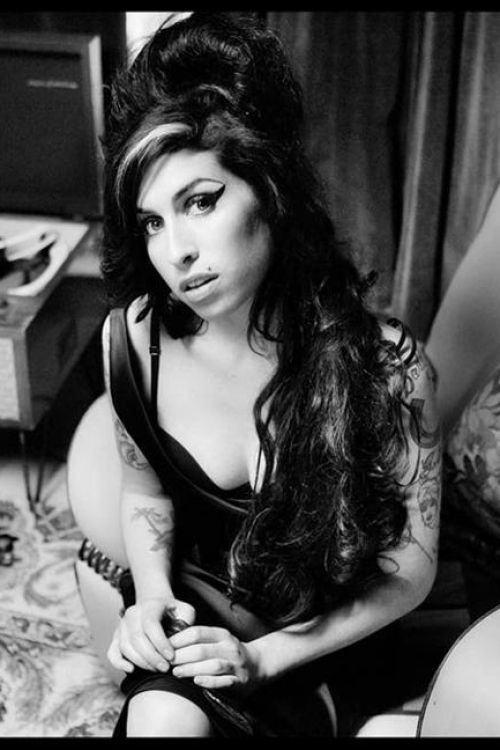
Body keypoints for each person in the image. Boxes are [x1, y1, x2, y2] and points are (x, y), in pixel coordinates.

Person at [98, 10, 441, 737]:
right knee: (159, 719)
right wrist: (151, 595)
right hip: (198, 612)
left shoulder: (387, 367)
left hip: (321, 642)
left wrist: (262, 659)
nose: (176, 251)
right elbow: (144, 490)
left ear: (270, 190)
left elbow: (410, 573)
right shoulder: (134, 340)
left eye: (200, 202)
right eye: (152, 222)